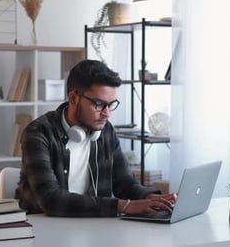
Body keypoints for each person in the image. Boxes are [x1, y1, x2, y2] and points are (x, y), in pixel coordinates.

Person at [15, 59, 176, 217]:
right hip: (42, 231)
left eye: (111, 104)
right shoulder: (38, 133)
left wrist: (151, 198)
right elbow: (51, 200)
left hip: (93, 227)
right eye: (99, 104)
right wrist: (125, 206)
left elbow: (124, 182)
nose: (107, 113)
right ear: (73, 98)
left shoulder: (106, 131)